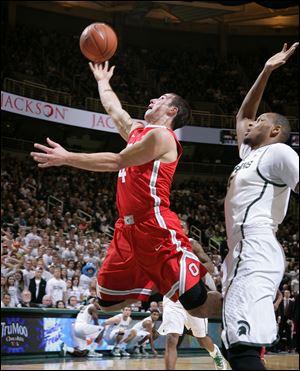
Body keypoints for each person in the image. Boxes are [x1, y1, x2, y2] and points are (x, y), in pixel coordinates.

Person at [30, 61, 222, 319]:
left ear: (172, 110)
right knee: (107, 302)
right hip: (127, 230)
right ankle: (158, 280)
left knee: (196, 305)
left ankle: (236, 300)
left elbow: (116, 161)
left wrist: (67, 157)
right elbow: (114, 108)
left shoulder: (162, 137)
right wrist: (102, 81)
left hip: (154, 225)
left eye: (162, 98)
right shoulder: (138, 131)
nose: (153, 99)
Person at [222, 42, 299, 371]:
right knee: (233, 343)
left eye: (261, 122)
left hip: (256, 244)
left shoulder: (279, 153)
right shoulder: (249, 156)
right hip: (240, 250)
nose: (251, 125)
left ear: (276, 131)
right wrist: (266, 70)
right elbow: (243, 115)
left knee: (241, 347)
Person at [158, 220, 227, 370]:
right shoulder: (165, 245)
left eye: (181, 226)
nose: (178, 227)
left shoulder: (192, 244)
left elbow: (209, 265)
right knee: (171, 338)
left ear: (187, 231)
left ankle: (215, 353)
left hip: (195, 295)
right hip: (173, 297)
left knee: (202, 339)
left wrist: (191, 267)